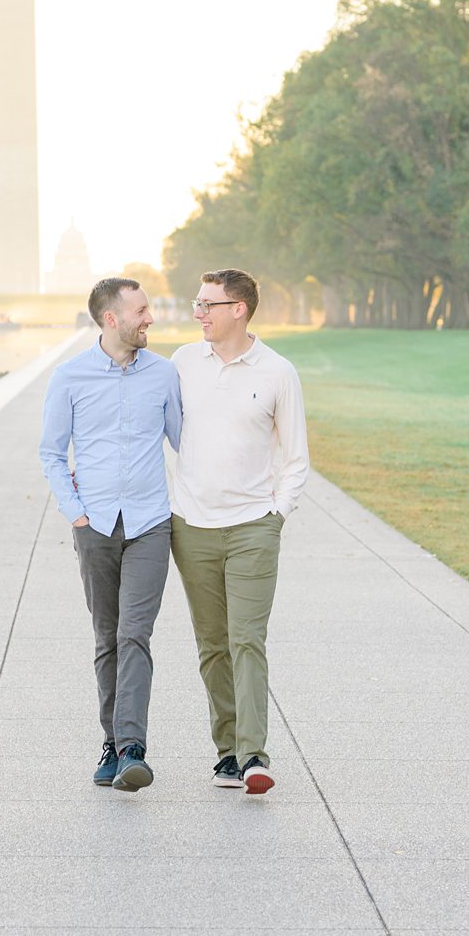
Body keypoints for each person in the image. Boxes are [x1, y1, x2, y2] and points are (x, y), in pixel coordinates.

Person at [169, 267, 310, 795]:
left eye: (209, 303)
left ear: (239, 309)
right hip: (192, 528)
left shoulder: (277, 371)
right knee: (212, 645)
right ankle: (226, 751)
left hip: (253, 527)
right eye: (197, 303)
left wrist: (277, 515)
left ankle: (253, 755)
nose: (199, 312)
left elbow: (295, 456)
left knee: (246, 639)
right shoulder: (182, 363)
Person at [39, 276, 181, 791]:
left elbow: (186, 442)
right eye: (141, 311)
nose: (150, 318)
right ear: (110, 319)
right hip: (95, 525)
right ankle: (111, 744)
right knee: (107, 638)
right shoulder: (70, 377)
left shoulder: (164, 374)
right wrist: (75, 512)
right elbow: (52, 452)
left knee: (133, 634)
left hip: (150, 524)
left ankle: (132, 748)